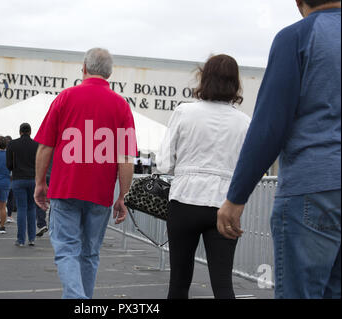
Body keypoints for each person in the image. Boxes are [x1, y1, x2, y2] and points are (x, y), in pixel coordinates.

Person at [217, 0, 341, 299]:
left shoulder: (297, 36)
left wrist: (236, 196)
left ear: (299, 3)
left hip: (313, 185)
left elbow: (270, 124)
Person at [33, 48, 137, 299]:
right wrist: (123, 196)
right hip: (100, 192)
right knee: (90, 253)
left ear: (84, 68)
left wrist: (39, 183)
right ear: (110, 73)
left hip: (64, 187)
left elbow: (46, 146)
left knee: (67, 249)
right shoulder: (121, 106)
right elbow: (125, 159)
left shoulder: (65, 98)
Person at [156, 54, 251, 299]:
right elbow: (249, 167)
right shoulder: (244, 122)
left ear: (204, 78)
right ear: (235, 83)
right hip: (224, 204)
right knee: (222, 283)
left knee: (178, 281)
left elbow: (164, 163)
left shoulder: (184, 112)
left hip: (185, 200)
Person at [6, 123, 40, 246]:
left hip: (18, 179)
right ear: (30, 132)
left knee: (21, 209)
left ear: (20, 132)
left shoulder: (12, 144)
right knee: (32, 208)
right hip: (33, 179)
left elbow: (8, 164)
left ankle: (21, 240)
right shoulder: (36, 145)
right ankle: (32, 238)